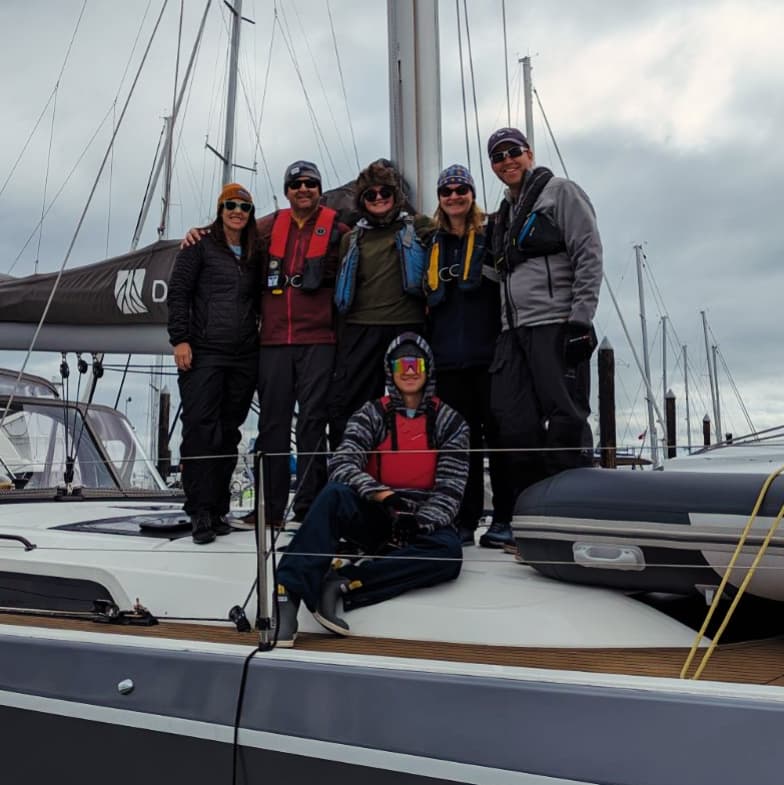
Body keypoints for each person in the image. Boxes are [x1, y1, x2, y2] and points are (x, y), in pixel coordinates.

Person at [274, 332, 469, 647]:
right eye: (400, 364)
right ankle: (288, 595)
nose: (408, 370)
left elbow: (451, 490)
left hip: (420, 524)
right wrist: (386, 498)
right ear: (390, 371)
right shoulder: (371, 415)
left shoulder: (451, 422)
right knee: (334, 494)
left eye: (415, 362)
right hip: (378, 512)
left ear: (428, 368)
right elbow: (343, 463)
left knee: (450, 554)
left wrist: (416, 522)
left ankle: (346, 582)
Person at [486, 127, 603, 546]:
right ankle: (532, 516)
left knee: (566, 418)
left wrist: (580, 320)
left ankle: (574, 518)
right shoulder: (503, 213)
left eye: (513, 152)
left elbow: (588, 251)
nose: (506, 161)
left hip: (555, 323)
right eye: (497, 157)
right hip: (512, 330)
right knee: (513, 423)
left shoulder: (561, 192)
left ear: (529, 153)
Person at [252, 161, 349, 527]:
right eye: (296, 184)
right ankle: (269, 508)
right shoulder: (267, 228)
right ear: (287, 191)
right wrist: (200, 232)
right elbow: (231, 231)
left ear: (319, 189)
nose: (303, 189)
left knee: (312, 424)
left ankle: (308, 505)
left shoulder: (339, 231)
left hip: (319, 339)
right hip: (275, 340)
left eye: (310, 183)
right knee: (272, 426)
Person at [167, 183, 261, 544]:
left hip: (243, 354)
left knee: (228, 431)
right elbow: (178, 293)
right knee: (201, 429)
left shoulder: (255, 251)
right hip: (204, 350)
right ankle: (200, 511)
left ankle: (220, 507)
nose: (237, 211)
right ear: (220, 209)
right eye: (231, 205)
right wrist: (180, 339)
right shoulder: (199, 246)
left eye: (244, 207)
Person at [425, 164, 512, 548]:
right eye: (447, 191)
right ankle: (465, 519)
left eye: (461, 189)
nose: (455, 196)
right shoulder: (431, 243)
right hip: (447, 362)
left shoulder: (492, 235)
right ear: (440, 198)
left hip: (489, 357)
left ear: (472, 194)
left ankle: (505, 518)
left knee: (499, 439)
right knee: (462, 446)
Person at [328, 159, 434, 448]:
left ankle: (412, 465)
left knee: (413, 402)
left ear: (395, 196)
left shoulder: (421, 227)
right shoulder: (351, 238)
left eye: (384, 193)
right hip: (361, 329)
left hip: (407, 328)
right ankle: (351, 471)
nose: (378, 199)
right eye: (370, 195)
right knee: (353, 406)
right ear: (362, 200)